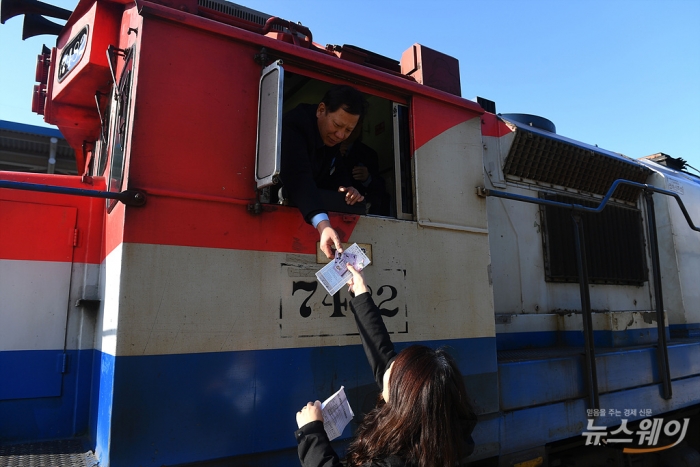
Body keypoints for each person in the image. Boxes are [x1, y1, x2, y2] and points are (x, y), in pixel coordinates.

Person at [294, 265, 477, 467]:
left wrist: (311, 434)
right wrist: (360, 293)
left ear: (405, 399)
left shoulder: (396, 462)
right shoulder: (438, 430)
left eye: (392, 373)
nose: (387, 368)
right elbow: (382, 351)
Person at [280, 85, 367, 259]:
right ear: (321, 110)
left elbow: (337, 170)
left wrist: (348, 188)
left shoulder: (330, 137)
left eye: (348, 130)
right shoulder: (295, 125)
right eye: (337, 125)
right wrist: (324, 225)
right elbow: (299, 177)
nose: (341, 135)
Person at [337, 124, 390, 216]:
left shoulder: (369, 154)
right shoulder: (328, 146)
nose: (353, 128)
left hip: (359, 209)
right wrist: (335, 157)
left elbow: (380, 187)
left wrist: (367, 178)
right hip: (331, 203)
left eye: (358, 124)